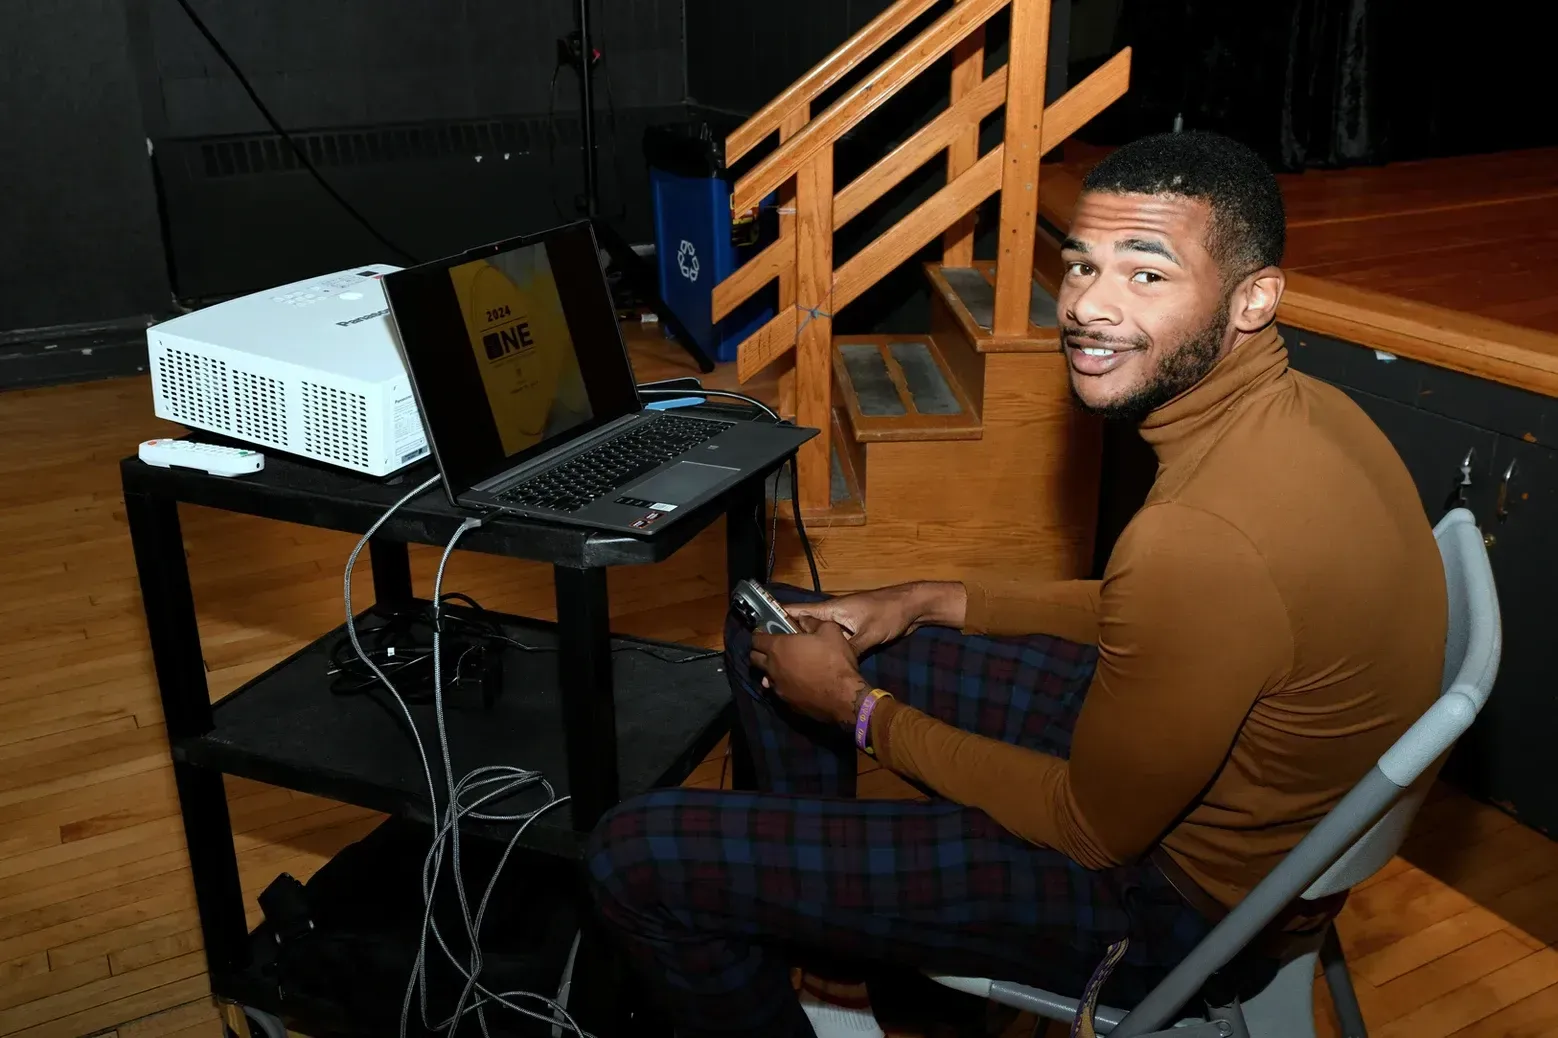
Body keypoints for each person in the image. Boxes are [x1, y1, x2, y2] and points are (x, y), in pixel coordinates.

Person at [585, 130, 1447, 1038]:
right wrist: (928, 598)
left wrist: (861, 710)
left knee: (632, 858)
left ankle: (813, 905)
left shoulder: (1202, 537)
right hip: (1198, 783)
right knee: (773, 626)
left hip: (1163, 907)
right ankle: (834, 920)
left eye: (1146, 275)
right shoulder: (1315, 414)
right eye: (1081, 267)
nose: (1088, 308)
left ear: (1252, 299)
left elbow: (1089, 829)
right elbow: (1157, 610)